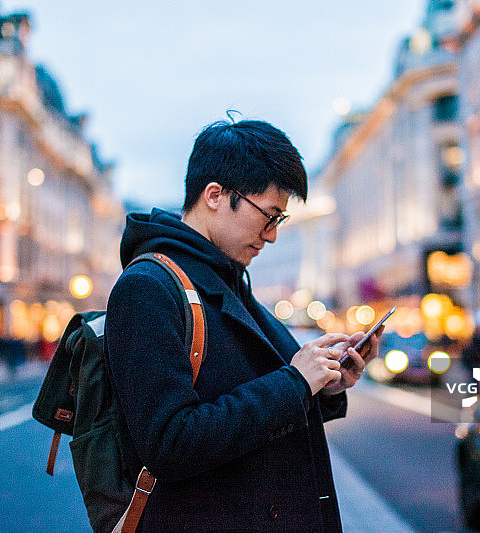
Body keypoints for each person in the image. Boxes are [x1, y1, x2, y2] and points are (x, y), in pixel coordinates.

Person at [105, 119, 383, 532]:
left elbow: (263, 402)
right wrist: (295, 382)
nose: (270, 236)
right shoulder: (148, 287)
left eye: (280, 221)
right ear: (215, 195)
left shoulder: (230, 278)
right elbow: (169, 443)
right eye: (268, 216)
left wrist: (325, 385)